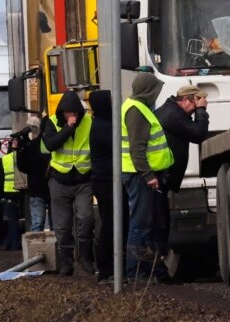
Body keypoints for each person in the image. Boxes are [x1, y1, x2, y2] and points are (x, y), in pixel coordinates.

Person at [152, 84, 211, 280]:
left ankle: (158, 270)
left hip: (163, 177)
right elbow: (198, 134)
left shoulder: (171, 111)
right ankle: (157, 272)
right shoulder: (172, 115)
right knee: (159, 225)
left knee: (161, 222)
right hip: (160, 177)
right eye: (194, 104)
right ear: (185, 100)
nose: (195, 110)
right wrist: (202, 112)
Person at [121, 71, 170, 279]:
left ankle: (151, 271)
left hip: (141, 174)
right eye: (155, 90)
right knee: (140, 224)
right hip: (139, 176)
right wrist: (148, 175)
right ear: (148, 90)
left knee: (148, 224)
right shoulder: (136, 111)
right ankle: (135, 272)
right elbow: (137, 149)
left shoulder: (139, 107)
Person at [42, 90, 95, 276]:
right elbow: (51, 145)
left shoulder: (89, 121)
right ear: (61, 112)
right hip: (59, 180)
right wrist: (68, 128)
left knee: (86, 218)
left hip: (83, 179)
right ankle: (66, 261)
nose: (71, 116)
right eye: (67, 113)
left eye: (74, 113)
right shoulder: (52, 122)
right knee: (62, 226)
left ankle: (85, 257)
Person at [88, 89, 128, 283]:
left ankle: (112, 268)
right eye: (110, 100)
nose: (114, 103)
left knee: (114, 223)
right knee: (111, 225)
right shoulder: (102, 127)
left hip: (107, 181)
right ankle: (106, 269)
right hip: (106, 183)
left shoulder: (104, 123)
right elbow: (119, 146)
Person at [16, 117, 51, 232]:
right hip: (50, 188)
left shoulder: (32, 145)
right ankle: (57, 249)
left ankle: (37, 248)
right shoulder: (57, 143)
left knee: (38, 223)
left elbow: (24, 167)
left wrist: (21, 150)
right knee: (56, 224)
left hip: (38, 189)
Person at [0, 136, 23, 250]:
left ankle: (8, 243)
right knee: (17, 221)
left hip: (8, 191)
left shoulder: (4, 159)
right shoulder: (21, 156)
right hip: (21, 191)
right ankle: (13, 244)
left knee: (12, 220)